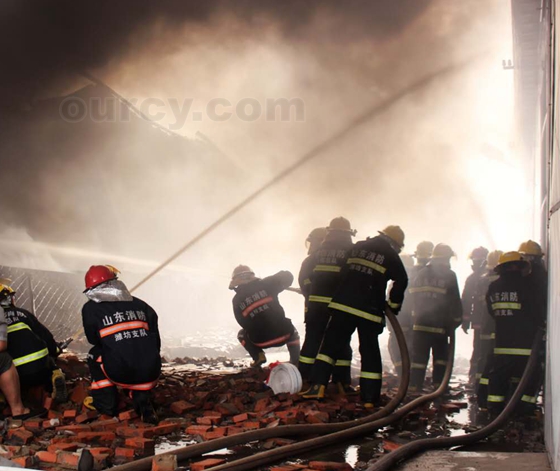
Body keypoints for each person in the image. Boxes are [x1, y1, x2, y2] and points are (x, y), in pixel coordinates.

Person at [301, 225, 408, 407]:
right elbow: (402, 280)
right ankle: (369, 399)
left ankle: (317, 387)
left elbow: (342, 269)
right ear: (396, 243)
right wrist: (393, 305)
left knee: (329, 347)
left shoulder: (358, 246)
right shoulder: (390, 255)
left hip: (343, 305)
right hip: (370, 310)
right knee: (370, 351)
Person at [82, 265, 161, 424]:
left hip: (120, 373)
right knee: (139, 349)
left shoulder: (90, 309)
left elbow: (93, 340)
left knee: (94, 354)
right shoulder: (141, 305)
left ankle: (107, 406)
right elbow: (155, 340)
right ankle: (141, 395)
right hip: (152, 371)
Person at [298, 218, 355, 392]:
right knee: (341, 343)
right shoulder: (351, 252)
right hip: (339, 308)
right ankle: (341, 381)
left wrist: (312, 293)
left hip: (316, 308)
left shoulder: (314, 257)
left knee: (313, 341)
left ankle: (305, 378)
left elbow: (304, 281)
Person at [486, 252, 543, 415]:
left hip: (502, 344)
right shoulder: (528, 285)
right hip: (525, 345)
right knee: (530, 376)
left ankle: (494, 409)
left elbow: (491, 311)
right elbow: (537, 311)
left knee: (499, 377)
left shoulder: (493, 287)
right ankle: (523, 409)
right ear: (515, 266)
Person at [0, 283, 67, 402]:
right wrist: (56, 350)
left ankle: (3, 398)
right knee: (50, 361)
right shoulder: (24, 314)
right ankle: (55, 376)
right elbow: (45, 336)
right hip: (40, 368)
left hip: (15, 376)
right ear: (10, 299)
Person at [409, 243, 462, 392]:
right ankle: (439, 386)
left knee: (418, 359)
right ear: (445, 258)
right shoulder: (449, 276)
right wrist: (456, 322)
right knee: (441, 359)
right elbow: (455, 301)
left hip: (419, 325)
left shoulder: (420, 273)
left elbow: (411, 298)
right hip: (440, 327)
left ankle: (414, 386)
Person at [231, 266, 300, 367]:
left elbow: (242, 323)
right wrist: (272, 281)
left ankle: (258, 356)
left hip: (259, 341)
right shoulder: (266, 284)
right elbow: (288, 276)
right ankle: (296, 360)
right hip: (284, 334)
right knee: (291, 328)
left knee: (241, 334)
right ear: (252, 276)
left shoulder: (236, 300)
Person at [0, 294, 42, 419]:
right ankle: (18, 410)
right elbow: (1, 345)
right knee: (4, 359)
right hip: (35, 369)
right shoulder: (22, 313)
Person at [475, 250, 502, 407]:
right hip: (499, 325)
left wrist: (475, 323)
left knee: (483, 356)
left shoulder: (481, 280)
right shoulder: (502, 281)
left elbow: (478, 305)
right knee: (497, 359)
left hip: (484, 325)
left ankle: (479, 389)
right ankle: (493, 390)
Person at [462, 246, 489, 385]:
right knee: (483, 350)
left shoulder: (473, 279)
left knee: (478, 350)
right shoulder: (492, 277)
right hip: (491, 323)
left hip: (479, 322)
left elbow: (466, 300)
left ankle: (475, 378)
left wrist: (465, 321)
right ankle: (479, 379)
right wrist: (466, 320)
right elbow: (466, 300)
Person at [387, 253, 414, 376]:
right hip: (410, 322)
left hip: (398, 320)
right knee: (408, 346)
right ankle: (407, 373)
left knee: (396, 345)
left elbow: (389, 299)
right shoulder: (415, 278)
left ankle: (401, 372)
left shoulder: (397, 280)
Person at [298, 227, 328, 314]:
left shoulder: (308, 261)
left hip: (312, 309)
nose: (311, 246)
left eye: (313, 243)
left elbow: (303, 282)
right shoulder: (338, 260)